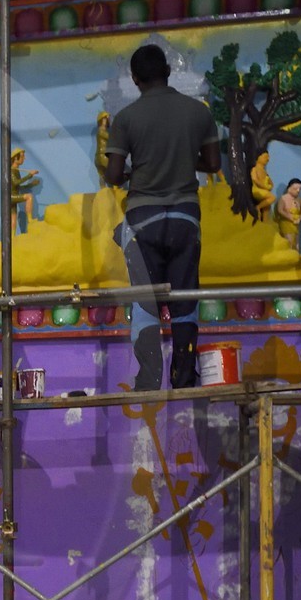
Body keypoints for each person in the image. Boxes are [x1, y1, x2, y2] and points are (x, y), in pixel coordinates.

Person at [104, 45, 223, 391]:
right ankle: (184, 376)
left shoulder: (126, 118)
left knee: (145, 301)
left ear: (136, 78)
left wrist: (132, 170)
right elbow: (214, 164)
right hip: (186, 217)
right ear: (168, 71)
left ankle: (149, 379)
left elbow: (112, 175)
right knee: (185, 298)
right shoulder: (198, 112)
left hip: (143, 220)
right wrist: (186, 160)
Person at [275, 178, 301, 248]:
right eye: (295, 189)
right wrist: (291, 218)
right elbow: (280, 210)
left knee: (296, 241)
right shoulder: (283, 198)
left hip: (296, 224)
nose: (298, 191)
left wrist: (300, 218)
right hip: (286, 223)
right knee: (289, 241)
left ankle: (296, 254)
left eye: (300, 189)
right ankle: (289, 255)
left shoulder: (299, 199)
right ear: (289, 188)